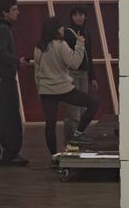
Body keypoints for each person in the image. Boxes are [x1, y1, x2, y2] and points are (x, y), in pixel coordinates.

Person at [33, 16, 99, 158]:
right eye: (61, 27)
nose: (63, 29)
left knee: (50, 125)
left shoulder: (39, 46)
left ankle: (54, 156)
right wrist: (79, 45)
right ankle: (78, 134)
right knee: (93, 104)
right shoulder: (61, 44)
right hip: (64, 88)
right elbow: (74, 63)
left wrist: (40, 89)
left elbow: (37, 72)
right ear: (56, 29)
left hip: (46, 91)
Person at [0, 0, 27, 166]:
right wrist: (17, 61)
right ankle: (10, 154)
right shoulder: (3, 30)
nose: (18, 12)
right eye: (14, 9)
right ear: (5, 12)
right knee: (9, 118)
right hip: (4, 81)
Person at [62, 6, 99, 140]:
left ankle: (80, 133)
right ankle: (71, 137)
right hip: (71, 73)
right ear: (71, 17)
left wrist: (92, 77)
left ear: (85, 16)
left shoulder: (87, 32)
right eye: (75, 15)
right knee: (72, 109)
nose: (78, 17)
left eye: (81, 14)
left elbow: (89, 55)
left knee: (84, 106)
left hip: (84, 73)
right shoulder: (67, 33)